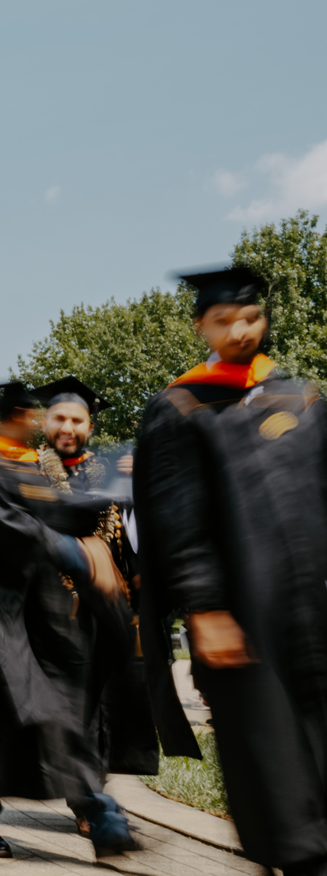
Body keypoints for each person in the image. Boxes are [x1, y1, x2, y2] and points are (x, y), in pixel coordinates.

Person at [134, 266, 327, 873]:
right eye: (224, 320)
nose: (241, 329)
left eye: (250, 317)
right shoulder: (181, 406)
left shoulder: (298, 396)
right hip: (242, 613)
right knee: (271, 756)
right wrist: (204, 605)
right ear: (202, 326)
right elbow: (175, 515)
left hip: (314, 606)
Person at [0, 381, 135, 859]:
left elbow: (58, 513)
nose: (38, 421)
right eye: (34, 414)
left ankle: (98, 809)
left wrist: (116, 487)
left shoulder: (26, 465)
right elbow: (13, 526)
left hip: (38, 616)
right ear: (17, 415)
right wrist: (77, 553)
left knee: (60, 712)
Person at [31, 376, 190, 812]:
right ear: (46, 423)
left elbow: (129, 541)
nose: (67, 426)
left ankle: (90, 798)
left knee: (99, 707)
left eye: (76, 419)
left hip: (101, 612)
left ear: (89, 427)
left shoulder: (107, 478)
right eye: (59, 418)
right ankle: (86, 802)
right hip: (45, 613)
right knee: (63, 709)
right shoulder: (26, 472)